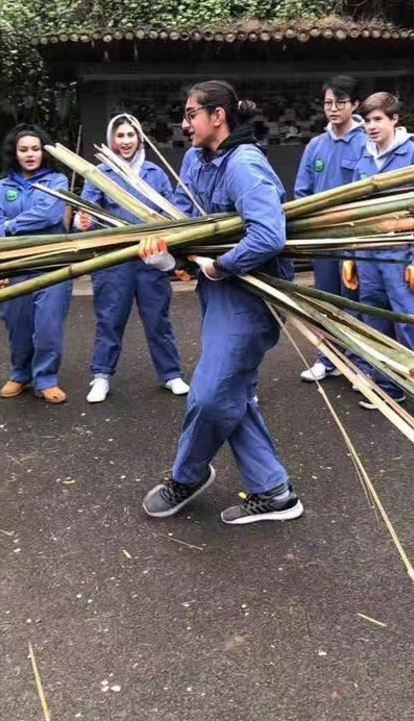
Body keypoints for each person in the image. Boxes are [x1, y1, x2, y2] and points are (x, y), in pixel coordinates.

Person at [138, 80, 304, 525]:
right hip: (218, 292)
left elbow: (269, 235)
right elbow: (180, 215)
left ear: (218, 117)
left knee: (211, 395)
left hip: (254, 293)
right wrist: (164, 254)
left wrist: (219, 266)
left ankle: (187, 475)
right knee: (232, 392)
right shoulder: (195, 159)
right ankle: (275, 492)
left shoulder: (245, 164)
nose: (185, 122)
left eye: (192, 113)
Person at [343, 93, 414, 426]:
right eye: (367, 121)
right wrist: (351, 256)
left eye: (377, 120)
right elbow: (353, 211)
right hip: (369, 255)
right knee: (376, 323)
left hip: (402, 255)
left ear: (394, 120)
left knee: (410, 325)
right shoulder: (363, 159)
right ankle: (390, 386)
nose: (371, 127)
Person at [77, 113, 189, 403]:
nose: (126, 141)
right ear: (111, 140)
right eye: (120, 135)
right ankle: (101, 376)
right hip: (114, 261)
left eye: (131, 135)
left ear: (140, 138)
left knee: (157, 319)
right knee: (110, 319)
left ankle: (171, 374)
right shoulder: (100, 173)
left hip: (150, 258)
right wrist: (83, 221)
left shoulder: (154, 172)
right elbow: (84, 213)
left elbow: (173, 210)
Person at [0, 123, 72, 404]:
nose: (30, 154)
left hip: (51, 263)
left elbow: (49, 214)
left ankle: (46, 379)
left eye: (35, 149)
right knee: (17, 324)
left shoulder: (57, 181)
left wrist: (11, 225)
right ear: (15, 153)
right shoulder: (2, 187)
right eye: (24, 150)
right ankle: (20, 374)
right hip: (15, 265)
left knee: (48, 324)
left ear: (43, 153)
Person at [294, 74, 366, 382]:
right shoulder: (315, 146)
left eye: (339, 102)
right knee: (325, 300)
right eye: (327, 103)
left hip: (355, 239)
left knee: (356, 302)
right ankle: (328, 358)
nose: (333, 109)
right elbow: (302, 191)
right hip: (324, 240)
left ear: (355, 105)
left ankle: (361, 364)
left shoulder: (366, 142)